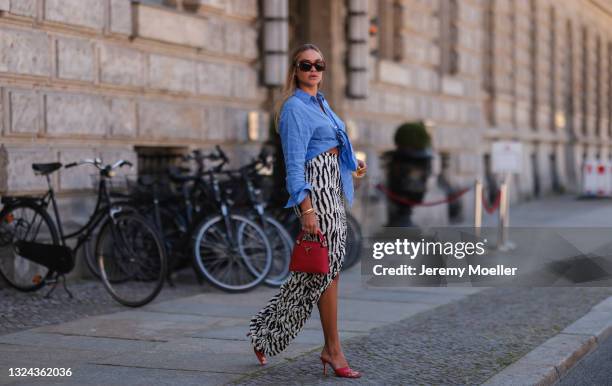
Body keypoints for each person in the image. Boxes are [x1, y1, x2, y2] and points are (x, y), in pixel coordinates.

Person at [246, 43, 366, 379]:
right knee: (325, 270)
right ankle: (333, 349)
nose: (313, 70)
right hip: (317, 194)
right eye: (305, 64)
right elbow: (294, 166)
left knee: (323, 272)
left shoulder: (322, 103)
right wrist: (307, 210)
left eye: (319, 64)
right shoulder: (295, 108)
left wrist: (351, 165)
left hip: (333, 190)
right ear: (295, 70)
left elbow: (330, 147)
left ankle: (267, 334)